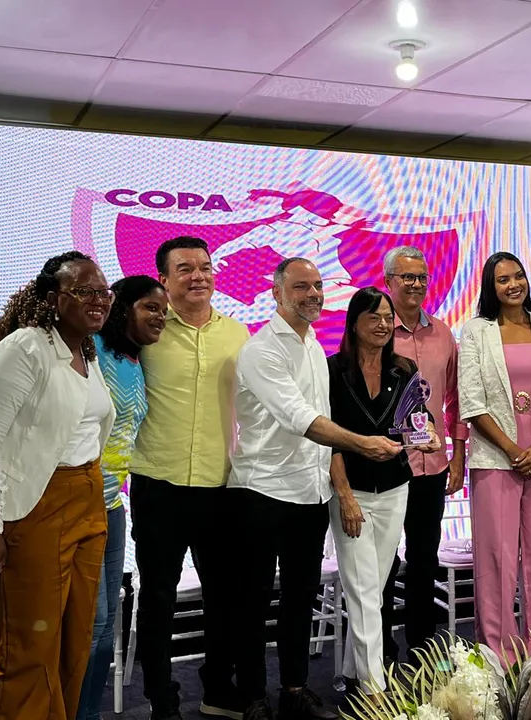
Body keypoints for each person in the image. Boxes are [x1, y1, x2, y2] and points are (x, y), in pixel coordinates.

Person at [230, 258, 402, 720]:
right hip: (262, 490)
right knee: (254, 599)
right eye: (301, 286)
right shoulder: (261, 350)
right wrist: (363, 443)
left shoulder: (312, 347)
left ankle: (294, 688)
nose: (313, 294)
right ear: (277, 293)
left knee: (301, 597)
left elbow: (319, 419)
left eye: (318, 285)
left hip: (309, 493)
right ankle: (251, 697)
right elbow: (301, 419)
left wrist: (336, 482)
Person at [0, 251, 116, 720]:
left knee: (75, 642)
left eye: (103, 292)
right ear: (54, 299)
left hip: (89, 502)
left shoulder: (86, 353)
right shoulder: (24, 347)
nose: (99, 300)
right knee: (28, 646)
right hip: (34, 508)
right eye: (85, 291)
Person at [129, 236, 250, 720]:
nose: (198, 275)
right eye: (184, 268)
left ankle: (218, 689)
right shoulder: (146, 333)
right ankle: (161, 698)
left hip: (221, 484)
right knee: (158, 595)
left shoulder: (238, 334)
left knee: (224, 594)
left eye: (204, 266)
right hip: (158, 481)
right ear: (163, 278)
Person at [458, 252, 531, 662]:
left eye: (519, 276)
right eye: (503, 279)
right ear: (491, 287)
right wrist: (513, 451)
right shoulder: (475, 332)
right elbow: (471, 403)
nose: (513, 285)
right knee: (496, 562)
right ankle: (497, 659)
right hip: (496, 459)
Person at [329, 287, 443, 695]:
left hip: (395, 488)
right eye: (372, 316)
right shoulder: (332, 370)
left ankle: (351, 670)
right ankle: (375, 688)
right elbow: (327, 440)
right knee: (362, 589)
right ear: (354, 322)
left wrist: (428, 435)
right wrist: (344, 496)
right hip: (351, 491)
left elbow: (419, 418)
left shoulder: (403, 368)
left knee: (373, 588)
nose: (381, 324)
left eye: (386, 316)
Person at [76, 275, 168, 719]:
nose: (161, 316)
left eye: (163, 309)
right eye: (151, 307)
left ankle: (87, 712)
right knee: (89, 627)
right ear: (121, 307)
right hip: (78, 503)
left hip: (114, 508)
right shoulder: (91, 353)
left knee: (107, 623)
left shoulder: (135, 359)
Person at [380, 246, 468, 665]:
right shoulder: (374, 330)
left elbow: (454, 400)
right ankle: (378, 647)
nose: (415, 284)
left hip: (431, 464)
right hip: (385, 462)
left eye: (421, 277)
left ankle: (421, 645)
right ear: (388, 282)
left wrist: (458, 453)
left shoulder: (444, 333)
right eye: (406, 277)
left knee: (423, 558)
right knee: (380, 561)